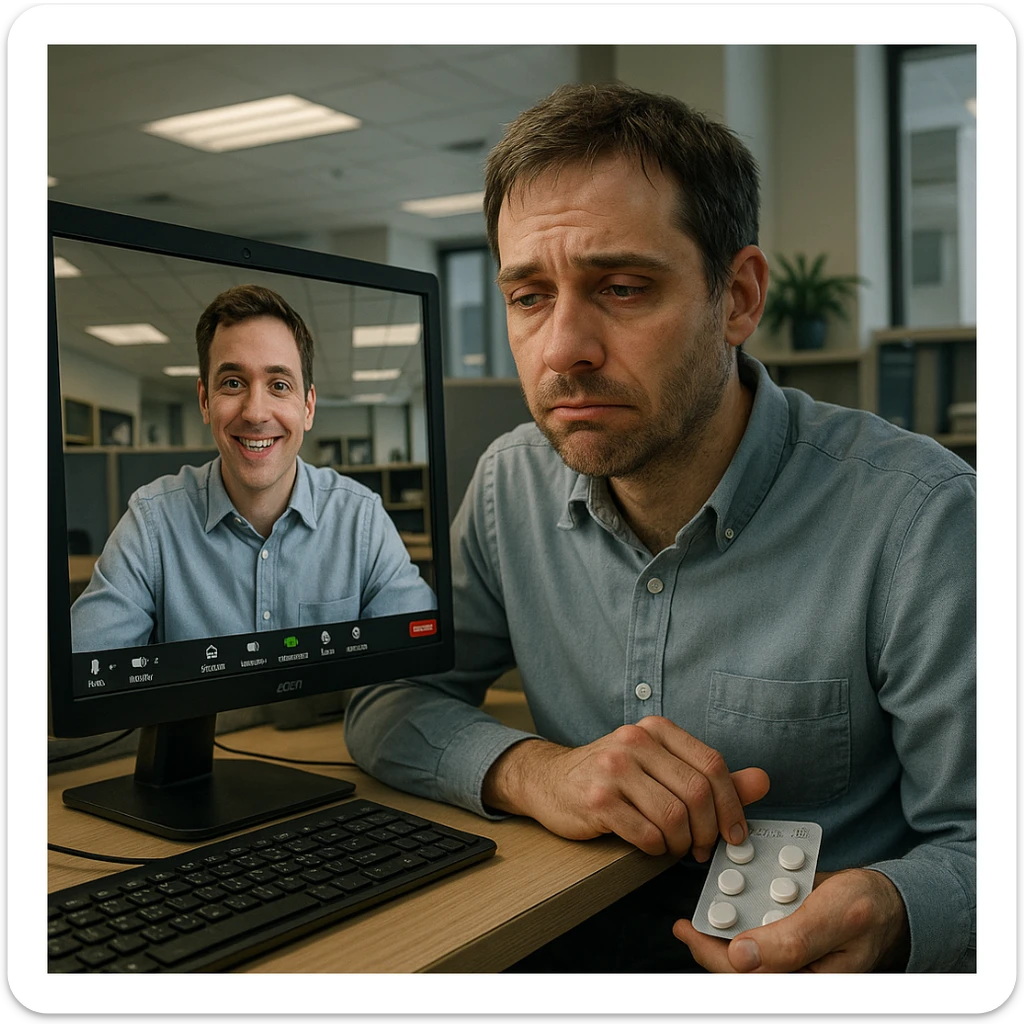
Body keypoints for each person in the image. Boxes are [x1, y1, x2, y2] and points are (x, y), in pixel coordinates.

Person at [343, 83, 975, 974]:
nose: (563, 348)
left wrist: (895, 911)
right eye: (528, 295)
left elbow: (987, 840)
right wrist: (538, 771)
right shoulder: (507, 487)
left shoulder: (920, 518)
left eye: (623, 287)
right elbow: (388, 700)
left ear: (739, 297)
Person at [71, 284, 436, 652]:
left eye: (279, 385)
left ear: (308, 407)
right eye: (233, 383)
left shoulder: (361, 519)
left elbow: (419, 660)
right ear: (205, 401)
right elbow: (85, 668)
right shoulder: (153, 523)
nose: (256, 413)